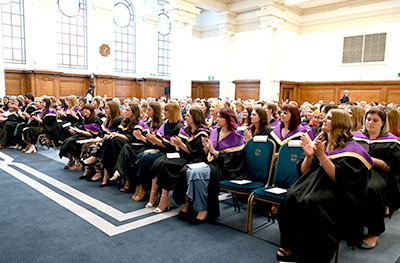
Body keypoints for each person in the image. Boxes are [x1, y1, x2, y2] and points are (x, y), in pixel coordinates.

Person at [277, 109, 373, 262]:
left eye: (329, 118)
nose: (324, 120)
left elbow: (339, 178)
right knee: (291, 197)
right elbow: (303, 171)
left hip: (336, 189)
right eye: (325, 117)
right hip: (312, 182)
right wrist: (309, 155)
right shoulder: (322, 141)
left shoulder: (353, 150)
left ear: (339, 123)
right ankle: (289, 245)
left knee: (313, 203)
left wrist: (321, 156)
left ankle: (312, 255)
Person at [172, 107, 248, 223]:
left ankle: (204, 209)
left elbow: (235, 160)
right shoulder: (215, 132)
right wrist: (206, 148)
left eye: (220, 117)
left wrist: (215, 152)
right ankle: (195, 204)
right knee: (190, 171)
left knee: (197, 173)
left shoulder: (236, 136)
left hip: (226, 169)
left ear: (228, 119)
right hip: (212, 164)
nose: (216, 119)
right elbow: (209, 154)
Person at [353, 107, 400, 249]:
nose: (370, 123)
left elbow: (392, 167)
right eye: (368, 119)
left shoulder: (392, 142)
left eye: (375, 120)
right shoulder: (355, 137)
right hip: (355, 171)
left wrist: (369, 159)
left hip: (380, 174)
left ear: (383, 123)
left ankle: (374, 231)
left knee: (371, 189)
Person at [147, 107, 211, 213]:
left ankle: (164, 198)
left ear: (194, 118)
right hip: (182, 155)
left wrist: (181, 144)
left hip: (194, 159)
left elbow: (194, 153)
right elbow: (179, 149)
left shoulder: (202, 133)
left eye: (188, 116)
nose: (185, 117)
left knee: (167, 165)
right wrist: (177, 145)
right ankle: (154, 194)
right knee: (159, 161)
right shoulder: (186, 130)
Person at [131, 101, 183, 206]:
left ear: (172, 112)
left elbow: (172, 146)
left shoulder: (178, 126)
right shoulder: (166, 124)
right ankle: (139, 185)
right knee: (140, 156)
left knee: (146, 158)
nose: (164, 112)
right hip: (161, 149)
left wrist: (156, 141)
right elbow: (158, 140)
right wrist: (148, 138)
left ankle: (146, 188)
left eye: (166, 110)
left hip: (170, 153)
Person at [78, 101, 122, 178]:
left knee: (95, 147)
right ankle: (88, 169)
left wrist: (99, 139)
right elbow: (101, 132)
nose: (105, 109)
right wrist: (97, 139)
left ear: (112, 109)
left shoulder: (119, 120)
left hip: (112, 142)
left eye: (107, 108)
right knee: (87, 145)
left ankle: (98, 172)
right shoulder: (107, 120)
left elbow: (115, 133)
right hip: (103, 139)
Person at [59, 104, 102, 170]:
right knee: (66, 141)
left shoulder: (96, 119)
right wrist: (76, 131)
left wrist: (80, 132)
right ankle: (71, 161)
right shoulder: (85, 119)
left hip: (90, 137)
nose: (85, 111)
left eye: (87, 109)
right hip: (82, 135)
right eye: (84, 109)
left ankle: (79, 163)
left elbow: (94, 134)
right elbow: (82, 129)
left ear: (91, 110)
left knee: (72, 143)